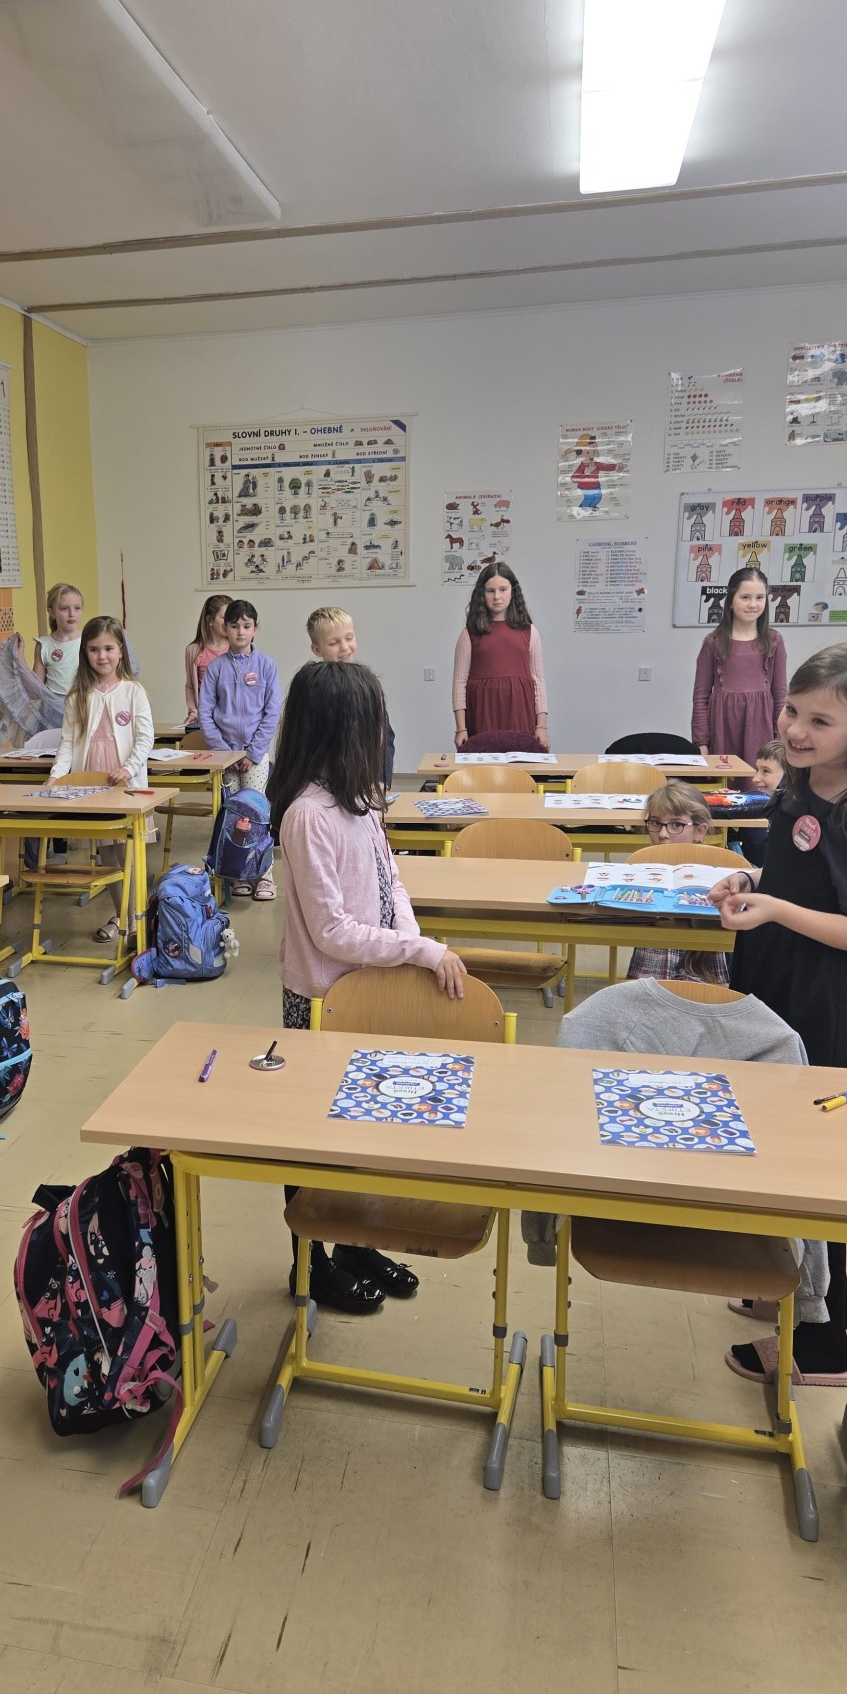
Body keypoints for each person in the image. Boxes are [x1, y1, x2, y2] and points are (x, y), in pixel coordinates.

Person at [708, 644, 847, 1385]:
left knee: (818, 1163)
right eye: (792, 711)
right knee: (773, 1141)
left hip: (835, 1000)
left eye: (819, 720)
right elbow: (798, 878)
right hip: (780, 978)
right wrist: (752, 880)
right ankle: (800, 1289)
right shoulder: (800, 785)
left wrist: (779, 909)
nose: (795, 730)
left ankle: (827, 1339)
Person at [270, 660, 468, 1312]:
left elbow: (392, 883)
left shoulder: (361, 802)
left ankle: (354, 1242)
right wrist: (419, 951)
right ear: (342, 731)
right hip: (324, 999)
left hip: (373, 989)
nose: (383, 735)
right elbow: (332, 931)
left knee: (361, 1128)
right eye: (374, 723)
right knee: (313, 1138)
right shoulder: (308, 816)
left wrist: (413, 948)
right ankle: (310, 1263)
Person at [50, 614, 154, 943]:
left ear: (120, 651)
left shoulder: (133, 691)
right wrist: (55, 777)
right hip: (91, 782)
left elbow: (145, 738)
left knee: (129, 853)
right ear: (85, 653)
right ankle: (122, 915)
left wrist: (129, 768)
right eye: (94, 649)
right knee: (107, 853)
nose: (102, 656)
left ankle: (139, 916)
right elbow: (67, 744)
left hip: (124, 782)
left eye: (108, 648)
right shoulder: (77, 696)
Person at [199, 598, 282, 899]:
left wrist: (253, 752)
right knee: (234, 818)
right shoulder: (215, 668)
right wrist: (226, 753)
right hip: (226, 758)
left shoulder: (267, 666)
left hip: (255, 757)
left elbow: (271, 713)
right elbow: (205, 713)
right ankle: (238, 876)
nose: (240, 632)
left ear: (255, 629)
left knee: (257, 814)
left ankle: (264, 876)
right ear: (225, 628)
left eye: (246, 626)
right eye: (234, 626)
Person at [625, 782, 730, 987]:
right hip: (650, 971)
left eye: (676, 825)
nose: (662, 834)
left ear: (700, 831)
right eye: (655, 823)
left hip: (706, 977)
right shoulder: (641, 868)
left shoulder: (720, 873)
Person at [690, 565, 787, 767]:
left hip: (761, 729)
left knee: (757, 781)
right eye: (745, 597)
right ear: (731, 601)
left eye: (759, 598)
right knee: (725, 782)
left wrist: (780, 738)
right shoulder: (713, 643)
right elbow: (700, 697)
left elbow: (780, 694)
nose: (753, 604)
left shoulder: (774, 641)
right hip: (723, 729)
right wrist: (701, 742)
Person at [451, 562, 548, 750]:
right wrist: (461, 728)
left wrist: (541, 726)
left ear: (513, 591)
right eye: (490, 591)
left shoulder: (530, 632)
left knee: (520, 764)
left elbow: (538, 681)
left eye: (503, 589)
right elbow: (459, 682)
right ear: (482, 594)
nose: (497, 597)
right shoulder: (469, 633)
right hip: (482, 714)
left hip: (520, 713)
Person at [307, 605, 395, 787]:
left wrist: (381, 781)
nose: (345, 647)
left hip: (366, 778)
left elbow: (384, 738)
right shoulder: (314, 687)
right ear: (317, 649)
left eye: (349, 638)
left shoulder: (369, 684)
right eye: (334, 643)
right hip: (326, 782)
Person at [0, 580, 85, 739]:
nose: (72, 614)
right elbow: (35, 688)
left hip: (83, 706)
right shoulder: (44, 644)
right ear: (51, 612)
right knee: (54, 749)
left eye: (77, 608)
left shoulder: (88, 640)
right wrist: (20, 656)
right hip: (53, 712)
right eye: (64, 608)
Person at [739, 738, 786, 868]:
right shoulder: (762, 804)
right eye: (757, 770)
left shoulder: (793, 814)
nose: (755, 779)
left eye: (766, 771)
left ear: (789, 775)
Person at [185, 594, 229, 725]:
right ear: (210, 620)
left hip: (230, 720)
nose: (229, 622)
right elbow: (190, 686)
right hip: (206, 720)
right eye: (224, 617)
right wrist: (193, 712)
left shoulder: (237, 649)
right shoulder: (193, 650)